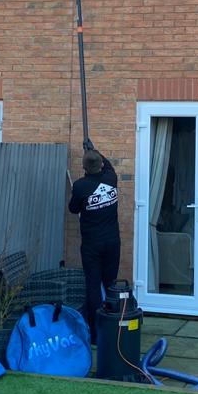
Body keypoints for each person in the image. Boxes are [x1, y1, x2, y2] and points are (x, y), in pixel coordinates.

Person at [68, 145, 121, 345]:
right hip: (113, 243)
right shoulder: (111, 179)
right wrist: (94, 149)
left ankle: (96, 335)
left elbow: (73, 209)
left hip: (92, 245)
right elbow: (107, 165)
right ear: (100, 164)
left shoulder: (81, 186)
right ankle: (114, 327)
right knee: (111, 285)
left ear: (83, 167)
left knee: (92, 286)